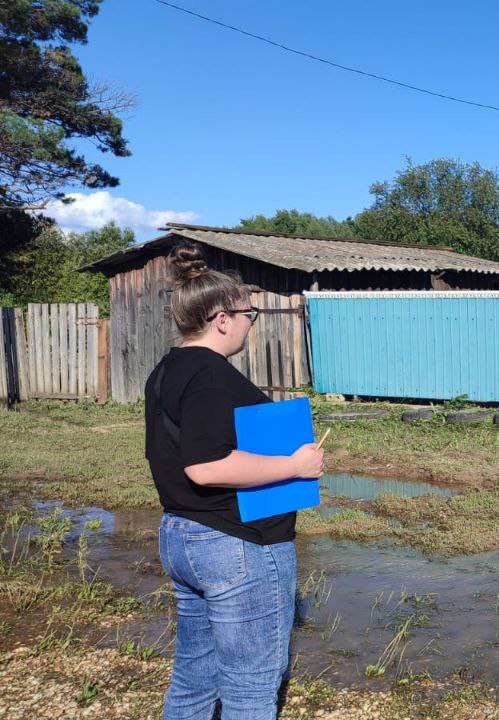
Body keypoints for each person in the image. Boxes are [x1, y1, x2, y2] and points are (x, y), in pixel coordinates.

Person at [145, 243, 324, 719]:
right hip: (237, 543)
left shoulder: (168, 369)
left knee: (194, 679)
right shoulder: (210, 375)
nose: (251, 323)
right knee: (250, 690)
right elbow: (206, 466)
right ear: (222, 318)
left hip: (184, 535)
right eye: (250, 314)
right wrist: (296, 466)